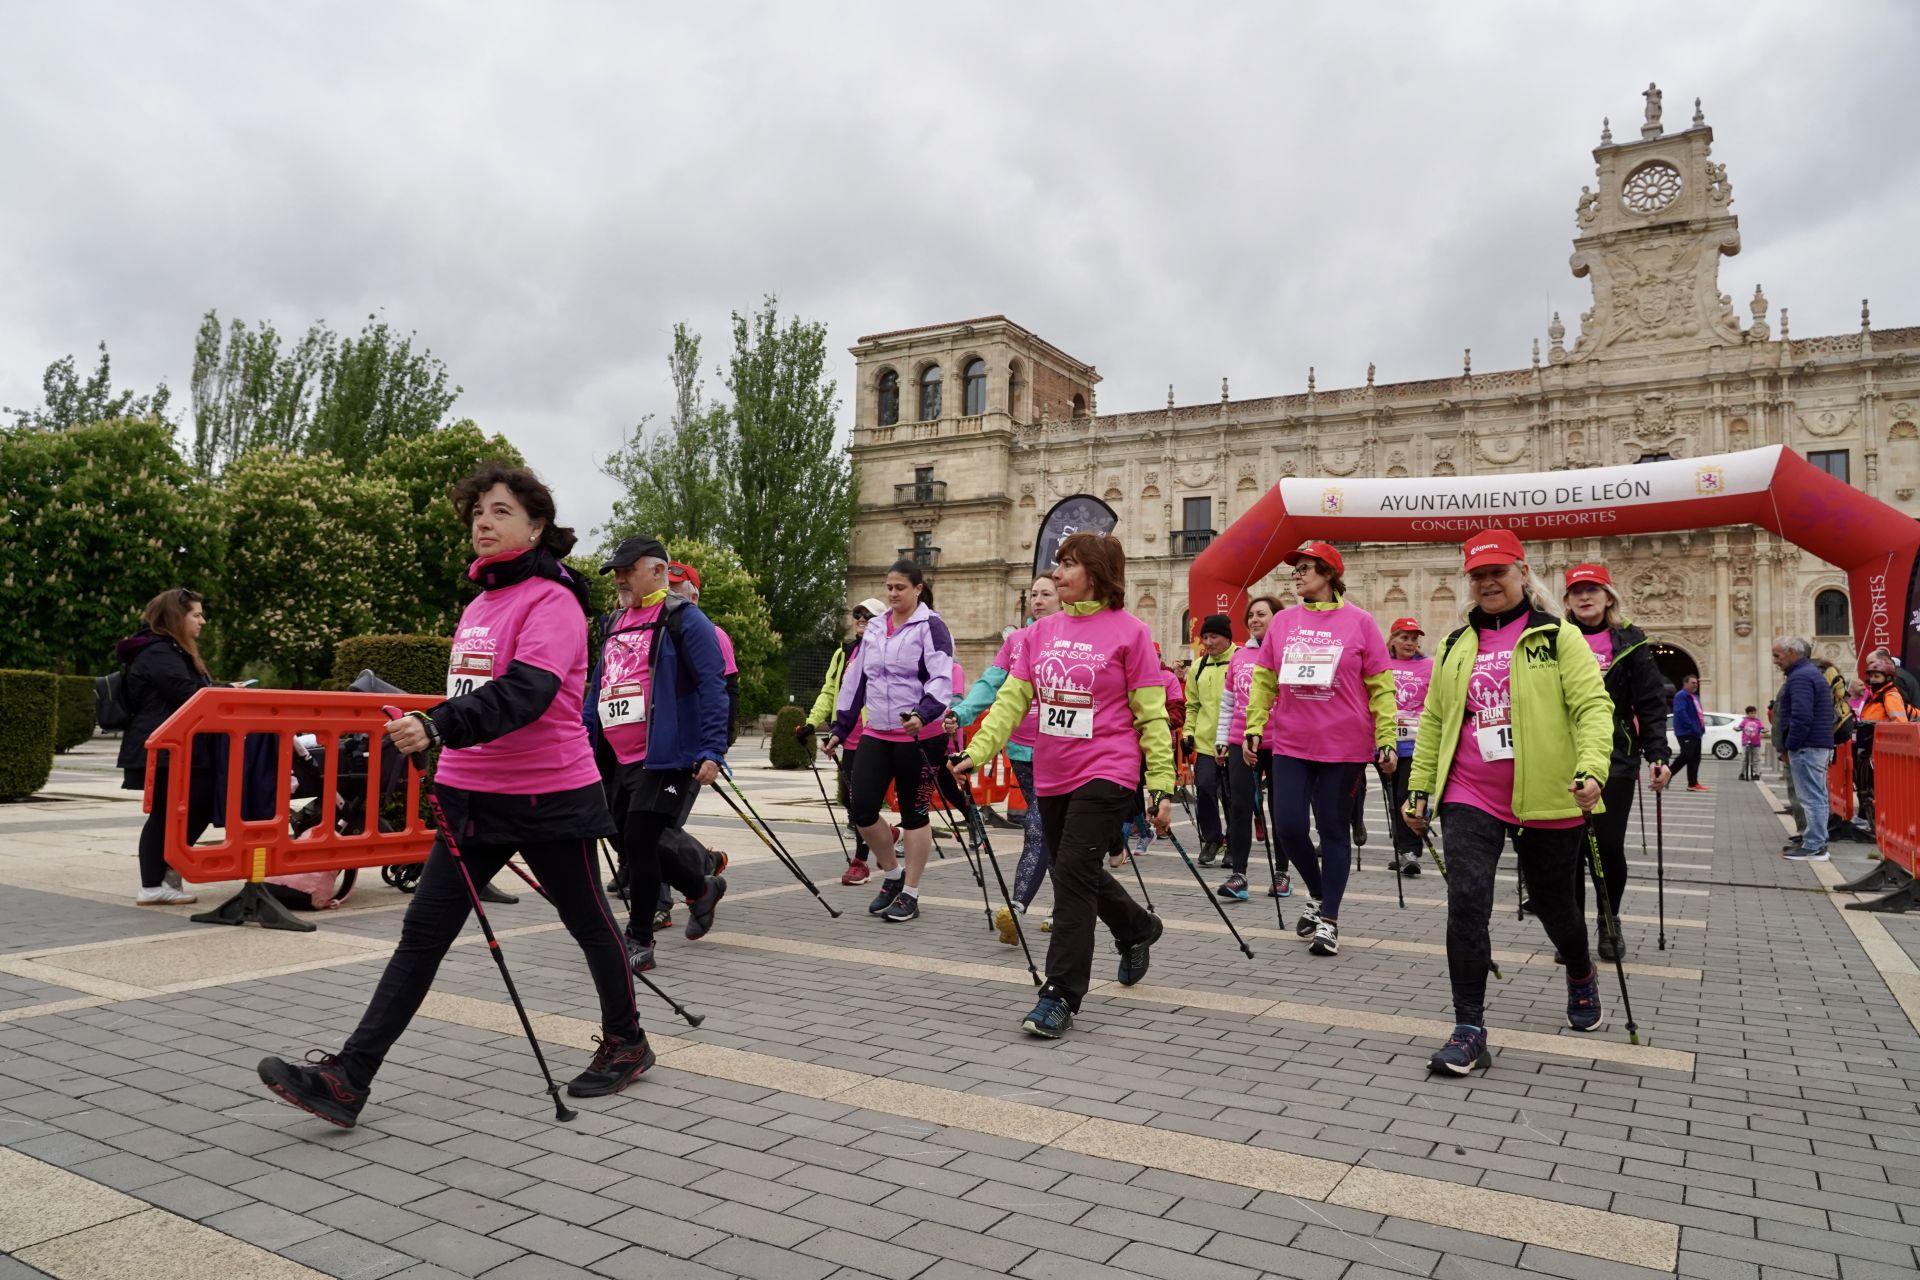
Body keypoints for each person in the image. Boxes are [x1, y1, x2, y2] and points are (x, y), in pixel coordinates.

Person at [258, 464, 651, 1127]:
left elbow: (526, 692)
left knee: (587, 921)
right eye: (476, 513)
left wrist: (438, 724)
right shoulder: (480, 603)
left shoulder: (552, 600)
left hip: (549, 795)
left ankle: (627, 1042)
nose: (483, 522)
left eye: (500, 511)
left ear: (536, 526)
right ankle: (348, 1079)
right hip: (472, 796)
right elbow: (476, 690)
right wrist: (446, 737)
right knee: (422, 937)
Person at [1403, 527, 1614, 1074]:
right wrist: (1420, 786)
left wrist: (1592, 769)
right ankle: (1468, 1026)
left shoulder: (1558, 637)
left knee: (1553, 904)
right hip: (1470, 790)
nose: (1488, 582)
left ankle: (1579, 968)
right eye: (1478, 574)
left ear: (1523, 573)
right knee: (1467, 902)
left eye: (1498, 571)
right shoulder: (1455, 644)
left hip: (1549, 793)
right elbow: (1434, 720)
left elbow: (1593, 708)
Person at [953, 532, 1171, 1039]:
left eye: (1068, 564)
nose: (1056, 572)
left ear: (1096, 572)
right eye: (1058, 563)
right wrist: (978, 750)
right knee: (1075, 868)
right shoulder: (1039, 632)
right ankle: (1137, 927)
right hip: (1053, 771)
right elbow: (1012, 699)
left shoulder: (1130, 632)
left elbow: (1151, 715)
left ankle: (1060, 994)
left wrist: (1159, 782)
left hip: (1108, 767)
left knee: (1071, 871)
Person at [1242, 541, 1397, 957]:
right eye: (1296, 568)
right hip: (1292, 741)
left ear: (1330, 574)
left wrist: (1386, 737)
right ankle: (1317, 892)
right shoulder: (1283, 622)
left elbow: (1381, 685)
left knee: (1332, 830)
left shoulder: (1360, 622)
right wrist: (1254, 725)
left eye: (1307, 567)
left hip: (1344, 746)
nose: (1298, 574)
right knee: (1289, 826)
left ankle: (1329, 919)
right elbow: (1265, 679)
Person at [594, 536, 731, 973]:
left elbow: (714, 685)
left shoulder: (684, 619)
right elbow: (600, 686)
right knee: (623, 837)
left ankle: (639, 939)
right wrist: (581, 738)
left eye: (627, 569)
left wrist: (712, 749)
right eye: (616, 570)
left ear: (656, 570)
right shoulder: (615, 620)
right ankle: (701, 887)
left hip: (666, 756)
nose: (619, 577)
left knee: (638, 840)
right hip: (618, 755)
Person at [825, 559, 954, 922]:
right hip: (877, 732)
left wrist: (923, 714)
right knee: (862, 809)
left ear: (918, 589)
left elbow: (941, 677)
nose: (893, 593)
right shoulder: (877, 628)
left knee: (914, 814)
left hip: (919, 735)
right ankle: (893, 876)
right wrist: (839, 727)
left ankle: (911, 892)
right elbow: (856, 681)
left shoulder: (932, 626)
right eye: (889, 587)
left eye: (900, 587)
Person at [1561, 563, 1671, 962]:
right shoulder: (1553, 638)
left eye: (1593, 590)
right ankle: (1570, 930)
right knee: (1566, 848)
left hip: (1616, 756)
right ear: (1567, 601)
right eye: (1576, 591)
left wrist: (1659, 754)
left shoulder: (1631, 642)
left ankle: (1609, 920)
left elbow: (1650, 702)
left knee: (1605, 848)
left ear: (1609, 597)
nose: (1585, 597)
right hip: (1562, 757)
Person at [948, 575, 1061, 943]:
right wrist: (961, 713)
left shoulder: (1068, 638)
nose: (1038, 600)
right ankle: (1060, 907)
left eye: (1047, 594)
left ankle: (1018, 905)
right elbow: (989, 684)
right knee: (1049, 829)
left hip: (1061, 751)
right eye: (1034, 595)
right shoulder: (1016, 642)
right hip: (1021, 750)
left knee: (1039, 826)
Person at [118, 588, 215, 906]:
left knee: (185, 809)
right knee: (170, 812)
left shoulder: (168, 650)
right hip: (163, 748)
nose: (202, 621)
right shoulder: (159, 652)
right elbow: (187, 695)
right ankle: (153, 882)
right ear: (176, 617)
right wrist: (221, 692)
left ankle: (165, 875)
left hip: (176, 747)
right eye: (196, 614)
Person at [802, 599, 887, 885]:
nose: (861, 619)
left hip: (879, 736)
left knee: (865, 803)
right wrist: (813, 722)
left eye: (868, 615)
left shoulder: (885, 649)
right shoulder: (844, 653)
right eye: (857, 614)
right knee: (854, 804)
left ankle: (861, 861)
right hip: (849, 736)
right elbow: (830, 691)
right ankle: (887, 836)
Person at [1214, 595, 1286, 900]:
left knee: (1281, 810)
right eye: (1251, 615)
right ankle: (1239, 876)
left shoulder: (1287, 653)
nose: (1255, 619)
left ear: (1277, 618)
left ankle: (1281, 874)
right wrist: (1221, 739)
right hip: (1239, 741)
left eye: (1262, 614)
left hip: (1279, 742)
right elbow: (1229, 703)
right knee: (1240, 807)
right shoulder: (1239, 657)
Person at [1773, 636, 1831, 861]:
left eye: (1778, 655)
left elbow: (1801, 716)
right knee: (1816, 796)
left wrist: (1791, 745)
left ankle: (1815, 846)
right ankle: (1815, 841)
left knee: (1811, 797)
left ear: (1791, 652)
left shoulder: (1800, 678)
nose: (1776, 661)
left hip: (1807, 746)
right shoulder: (1807, 674)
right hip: (1814, 745)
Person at [669, 562, 739, 747]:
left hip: (695, 738)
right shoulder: (658, 631)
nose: (665, 597)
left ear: (693, 598)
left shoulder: (714, 634)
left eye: (673, 591)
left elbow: (729, 688)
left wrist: (720, 741)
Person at [1383, 617, 1433, 876]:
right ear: (1393, 639)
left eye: (1414, 638)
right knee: (1393, 799)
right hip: (1387, 741)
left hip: (1415, 742)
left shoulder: (1428, 666)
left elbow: (1435, 701)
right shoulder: (1381, 664)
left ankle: (1410, 851)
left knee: (1406, 796)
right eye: (1405, 638)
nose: (1411, 643)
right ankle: (1402, 848)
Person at [1186, 615, 1236, 868]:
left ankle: (1234, 843)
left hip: (1234, 740)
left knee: (1232, 796)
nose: (1208, 642)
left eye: (1213, 637)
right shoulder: (1198, 666)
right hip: (1207, 741)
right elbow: (1192, 705)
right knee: (1204, 788)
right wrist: (1188, 733)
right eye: (1205, 637)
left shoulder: (1240, 660)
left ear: (1227, 637)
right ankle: (1212, 838)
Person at [1672, 674, 1707, 791]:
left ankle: (1693, 784)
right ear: (1685, 683)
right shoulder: (1681, 696)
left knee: (1695, 758)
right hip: (1686, 732)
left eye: (1696, 683)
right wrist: (1692, 726)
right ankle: (1667, 774)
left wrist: (1701, 728)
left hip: (1696, 732)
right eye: (1693, 682)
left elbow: (1699, 714)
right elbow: (1680, 713)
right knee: (1686, 755)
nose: (1695, 685)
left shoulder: (1695, 697)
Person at [1737, 706, 1766, 781]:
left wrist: (1764, 730)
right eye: (1751, 713)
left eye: (1754, 713)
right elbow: (1740, 727)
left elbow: (1762, 728)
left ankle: (1756, 773)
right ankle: (1742, 773)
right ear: (1747, 713)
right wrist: (1737, 729)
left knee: (1756, 759)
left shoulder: (1758, 721)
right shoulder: (1744, 721)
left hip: (1756, 742)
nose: (1753, 714)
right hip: (1746, 742)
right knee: (1744, 758)